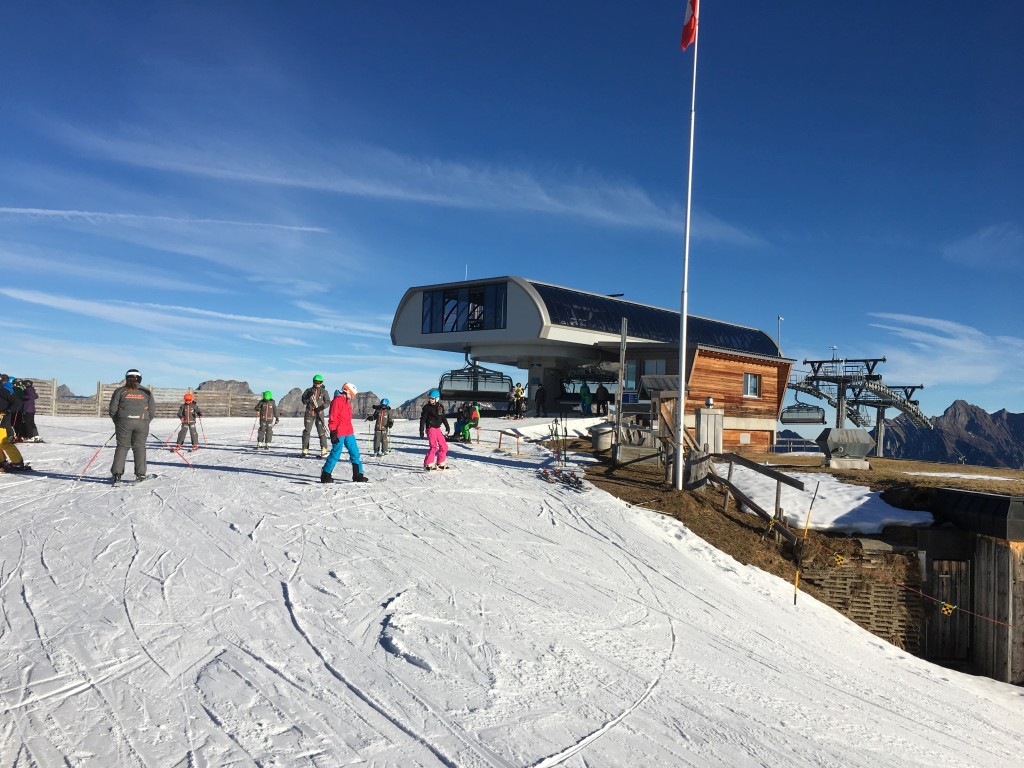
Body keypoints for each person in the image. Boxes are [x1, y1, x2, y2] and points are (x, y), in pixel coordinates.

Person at [108, 368, 154, 485]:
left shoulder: (120, 391)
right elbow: (152, 411)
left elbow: (112, 410)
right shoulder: (146, 392)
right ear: (140, 379)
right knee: (139, 447)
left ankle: (117, 475)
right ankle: (140, 474)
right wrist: (145, 421)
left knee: (122, 447)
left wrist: (118, 422)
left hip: (124, 422)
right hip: (142, 422)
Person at [322, 383, 368, 483]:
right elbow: (332, 418)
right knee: (336, 453)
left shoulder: (346, 402)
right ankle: (325, 473)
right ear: (346, 391)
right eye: (351, 394)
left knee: (355, 452)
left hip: (348, 431)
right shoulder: (337, 401)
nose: (352, 397)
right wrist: (333, 432)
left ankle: (358, 474)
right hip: (339, 432)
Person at [300, 374, 331, 458]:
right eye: (316, 382)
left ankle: (324, 449)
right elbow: (304, 401)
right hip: (309, 413)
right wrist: (308, 397)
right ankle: (305, 449)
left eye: (319, 382)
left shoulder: (324, 392)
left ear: (322, 382)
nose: (317, 383)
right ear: (313, 382)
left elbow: (327, 402)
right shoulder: (308, 390)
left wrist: (321, 407)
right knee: (307, 431)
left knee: (321, 431)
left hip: (319, 413)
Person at [419, 388, 450, 469]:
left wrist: (447, 426)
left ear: (437, 399)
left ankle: (440, 462)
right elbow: (422, 419)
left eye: (432, 398)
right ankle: (428, 464)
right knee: (433, 447)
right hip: (431, 428)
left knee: (444, 446)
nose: (430, 400)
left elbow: (443, 417)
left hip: (437, 428)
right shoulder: (427, 407)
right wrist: (421, 430)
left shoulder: (440, 407)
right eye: (429, 398)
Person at [0, 383, 28, 472]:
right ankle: (1, 462)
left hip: (3, 422)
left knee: (3, 443)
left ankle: (17, 462)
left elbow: (17, 403)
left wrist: (7, 411)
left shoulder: (3, 391)